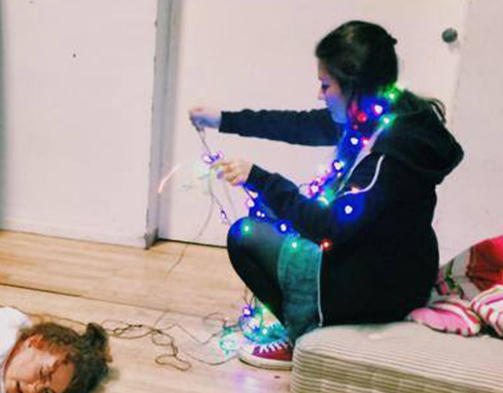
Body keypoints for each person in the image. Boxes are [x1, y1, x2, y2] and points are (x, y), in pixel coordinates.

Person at [189, 20, 463, 370]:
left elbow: (329, 227)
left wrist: (259, 178)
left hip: (382, 285)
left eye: (325, 85)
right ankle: (311, 316)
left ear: (354, 85)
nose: (320, 95)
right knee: (269, 212)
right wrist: (222, 119)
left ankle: (306, 335)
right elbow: (298, 125)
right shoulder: (375, 115)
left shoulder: (390, 152)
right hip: (386, 262)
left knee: (245, 235)